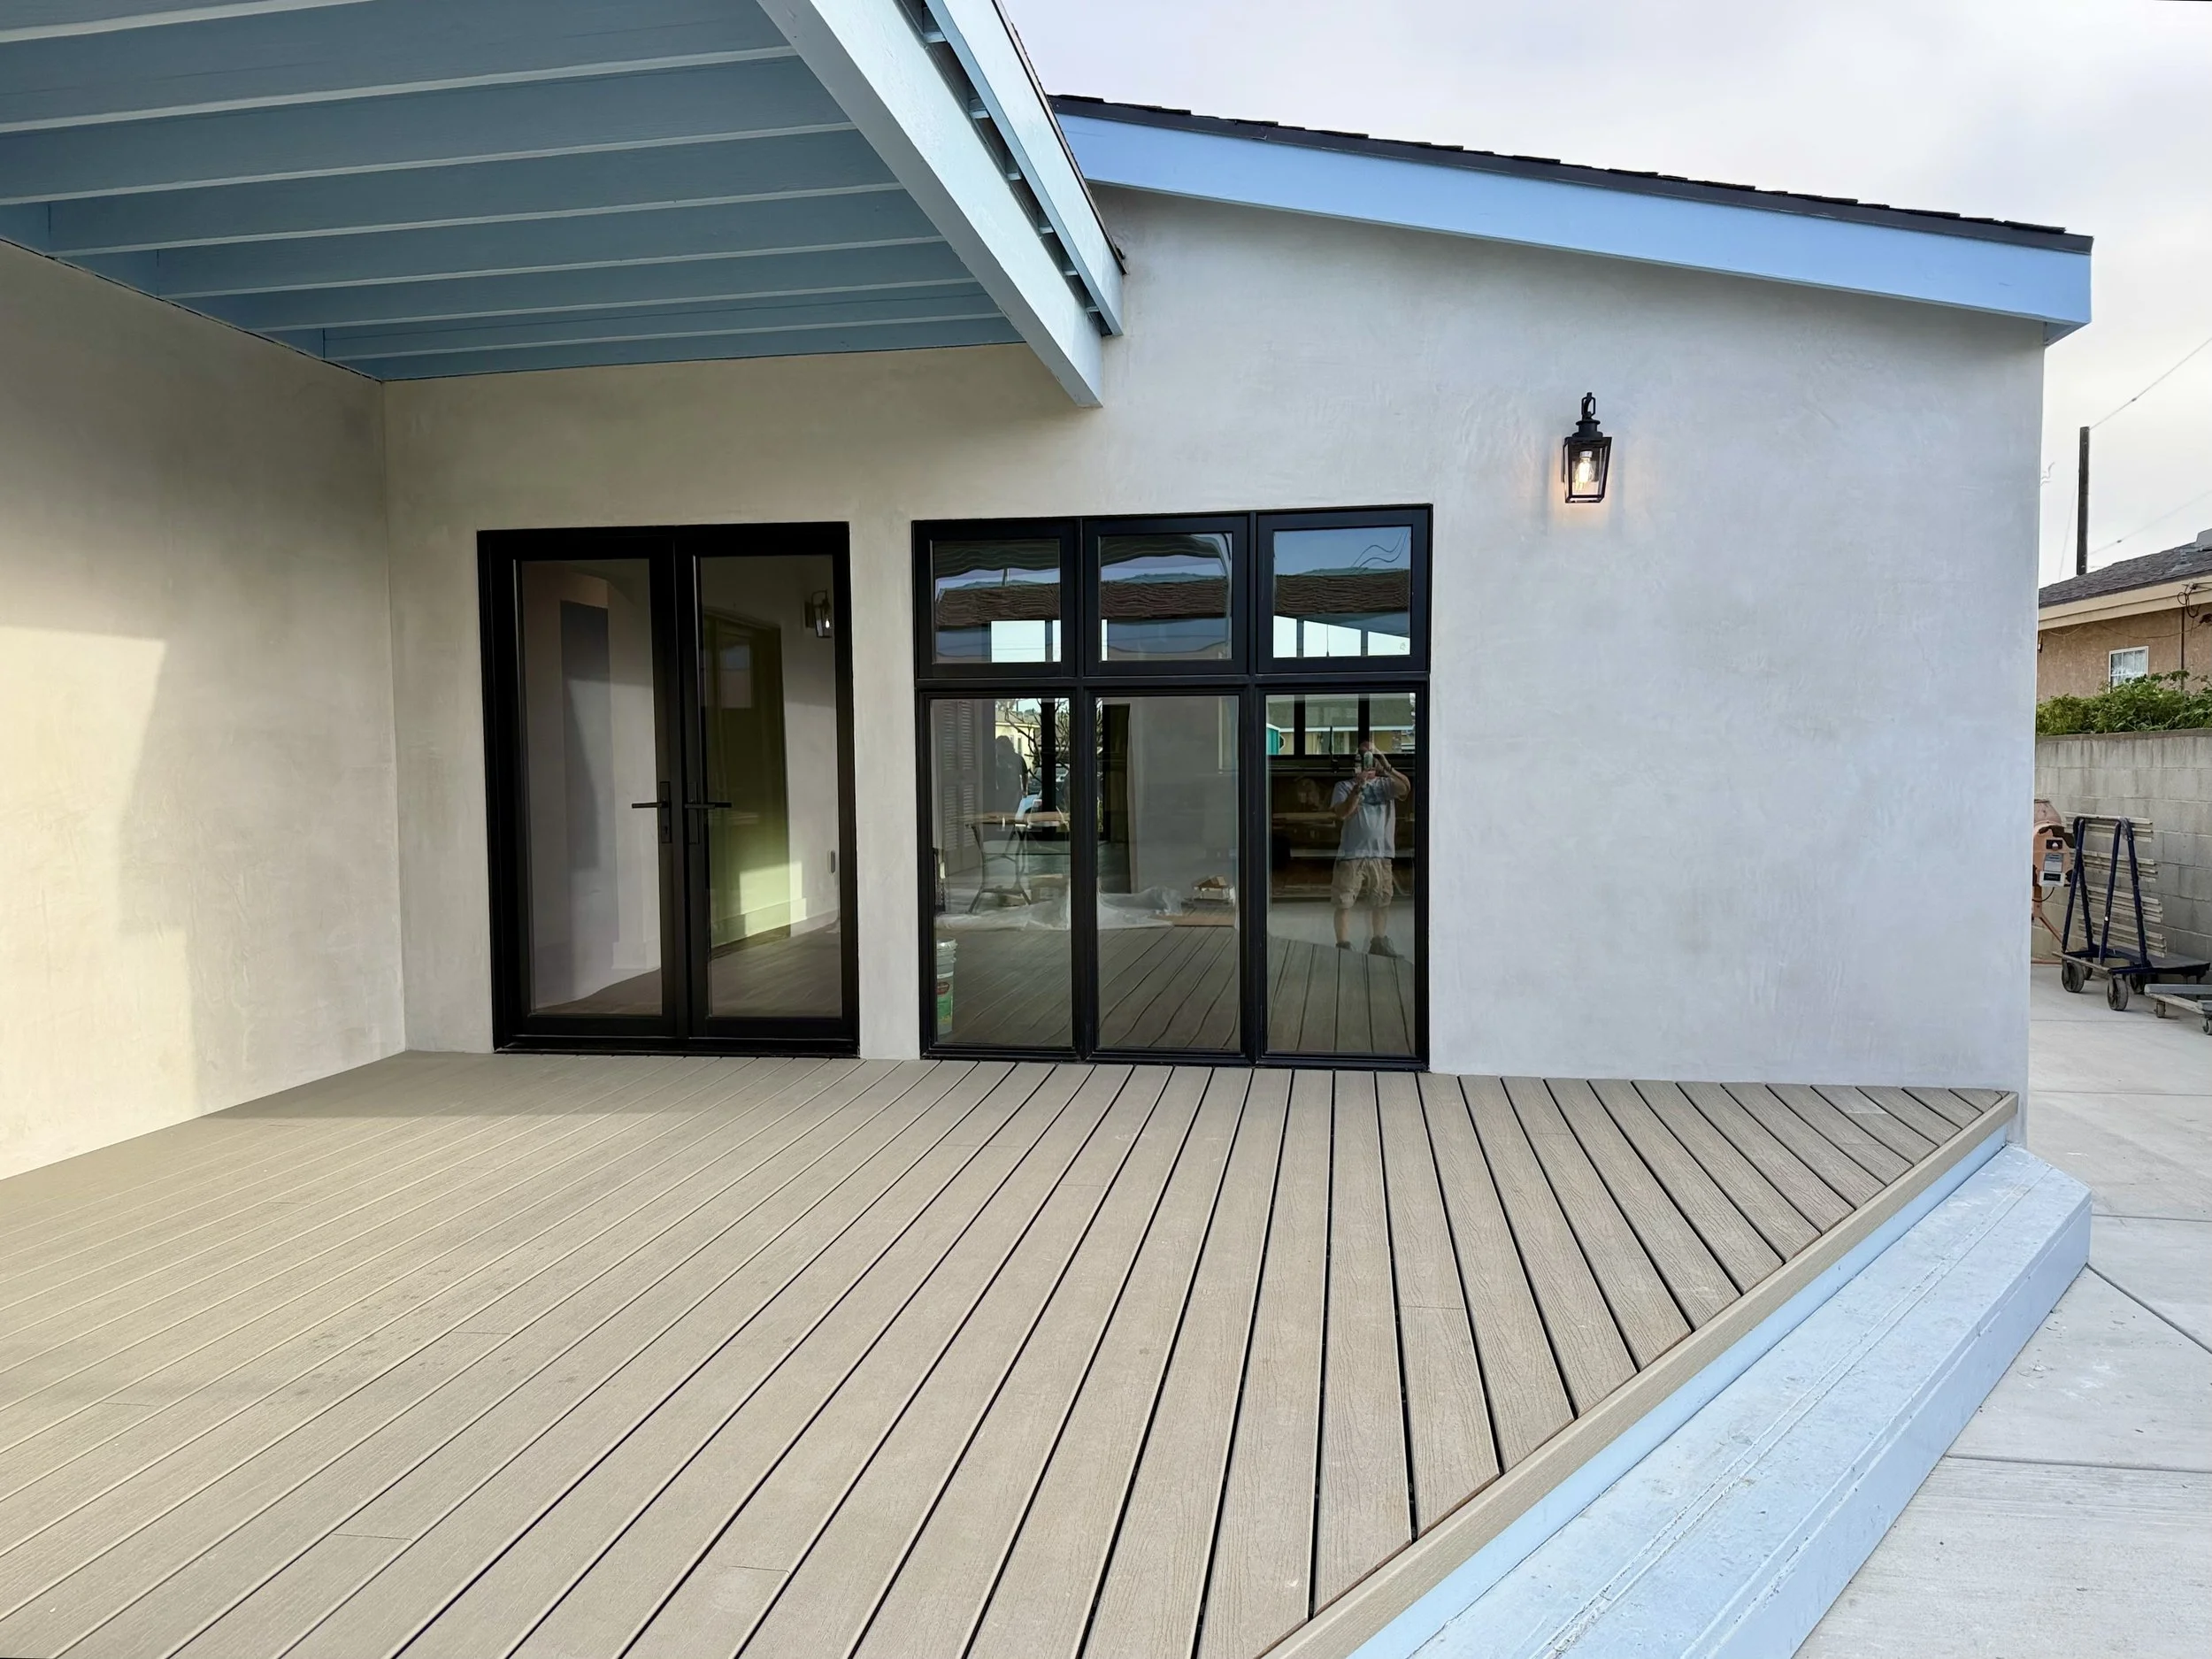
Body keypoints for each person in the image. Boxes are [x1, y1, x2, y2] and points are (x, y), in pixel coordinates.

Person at [1331, 743, 1410, 956]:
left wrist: (1387, 766)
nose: (1368, 765)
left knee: (1381, 900)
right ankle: (1343, 947)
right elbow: (1342, 813)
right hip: (1352, 854)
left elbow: (1406, 789)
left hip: (1381, 853)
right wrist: (1358, 787)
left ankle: (1379, 941)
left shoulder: (1386, 785)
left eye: (1371, 760)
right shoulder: (1344, 786)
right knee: (1344, 902)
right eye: (1363, 761)